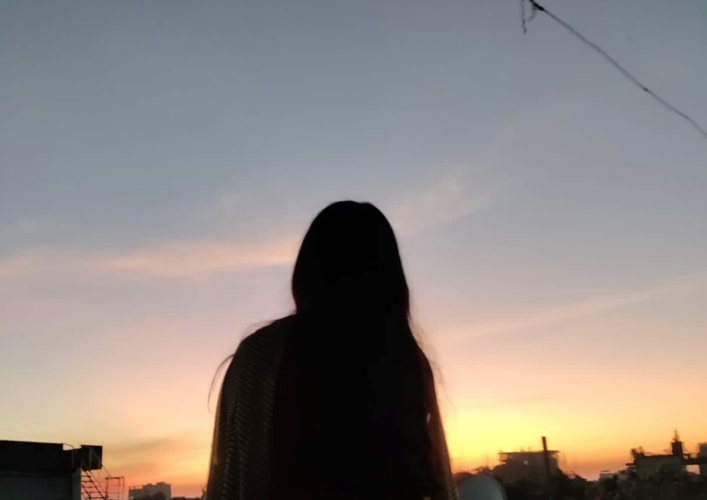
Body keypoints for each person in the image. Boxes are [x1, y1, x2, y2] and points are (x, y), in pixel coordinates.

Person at [205, 201, 459, 500]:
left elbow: (228, 480)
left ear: (307, 271)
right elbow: (437, 478)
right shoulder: (408, 361)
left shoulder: (260, 356)